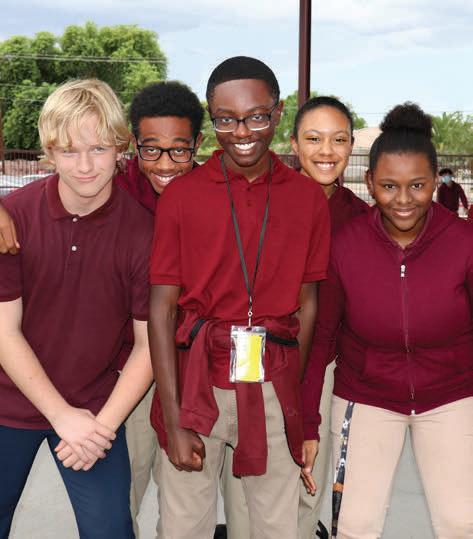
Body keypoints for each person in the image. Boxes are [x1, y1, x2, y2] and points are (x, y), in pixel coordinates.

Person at [148, 56, 330, 539]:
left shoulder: (308, 199)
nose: (242, 132)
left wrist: (288, 385)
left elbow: (308, 303)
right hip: (196, 384)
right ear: (211, 119)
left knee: (275, 525)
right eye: (225, 120)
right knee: (183, 526)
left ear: (278, 113)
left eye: (256, 116)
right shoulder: (181, 197)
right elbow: (161, 308)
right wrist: (173, 418)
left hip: (271, 385)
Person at [302, 102, 473, 538]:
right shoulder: (346, 244)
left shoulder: (463, 242)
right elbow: (323, 336)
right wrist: (307, 421)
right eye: (389, 186)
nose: (403, 200)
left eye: (417, 185)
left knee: (461, 522)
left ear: (436, 181)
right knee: (354, 525)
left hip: (451, 395)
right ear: (369, 183)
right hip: (366, 396)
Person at [0, 79, 154, 538]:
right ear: (49, 151)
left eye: (98, 148)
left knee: (111, 530)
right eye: (69, 151)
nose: (85, 166)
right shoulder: (13, 218)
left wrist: (100, 429)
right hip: (8, 404)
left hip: (94, 409)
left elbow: (147, 345)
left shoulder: (143, 231)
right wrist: (60, 415)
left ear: (120, 147)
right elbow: (4, 331)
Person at [220, 95, 368, 539]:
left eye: (338, 140)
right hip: (260, 357)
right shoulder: (263, 198)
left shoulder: (361, 218)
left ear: (351, 145)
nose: (327, 151)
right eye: (314, 139)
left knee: (308, 478)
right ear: (294, 143)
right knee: (247, 479)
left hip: (323, 364)